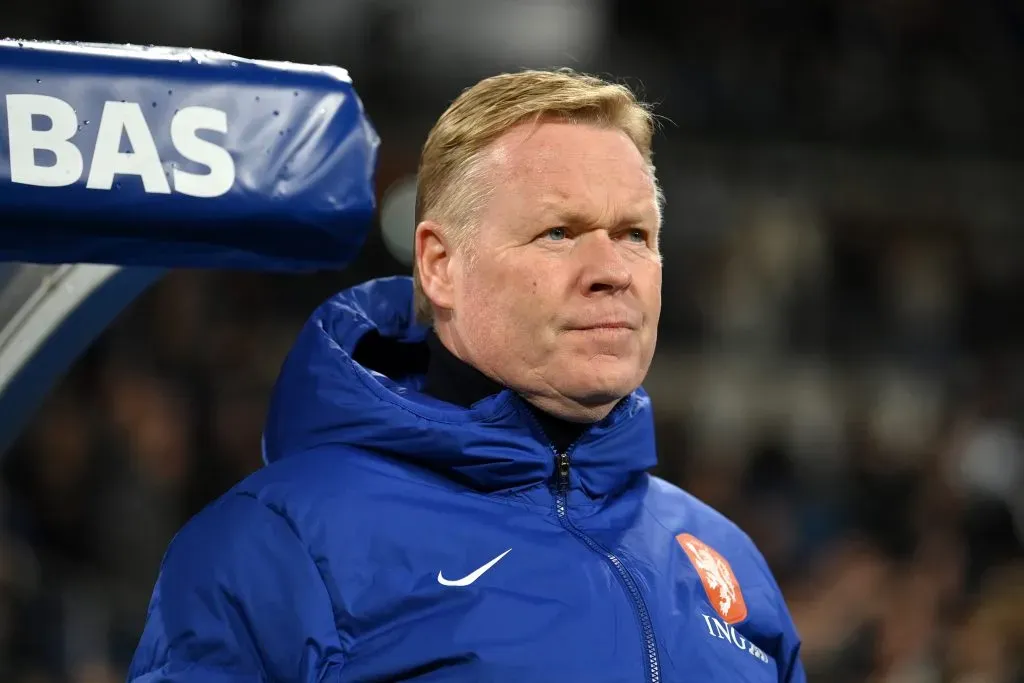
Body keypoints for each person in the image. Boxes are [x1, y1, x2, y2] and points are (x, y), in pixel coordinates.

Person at [128, 68, 806, 683]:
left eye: (636, 234)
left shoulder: (727, 561)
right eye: (560, 232)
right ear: (440, 265)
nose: (613, 271)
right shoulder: (279, 544)